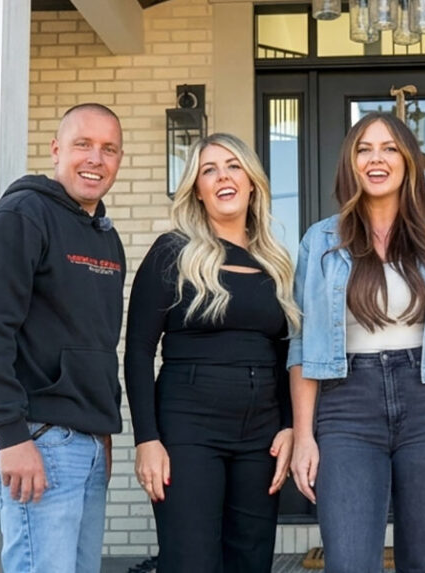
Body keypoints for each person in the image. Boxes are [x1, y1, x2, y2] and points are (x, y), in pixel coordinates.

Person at [289, 112, 425, 572]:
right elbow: (303, 345)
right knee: (350, 561)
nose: (376, 159)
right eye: (364, 149)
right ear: (350, 163)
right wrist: (304, 435)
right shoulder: (319, 240)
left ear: (407, 162)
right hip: (346, 405)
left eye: (389, 148)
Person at [0, 103, 126, 572]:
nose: (96, 158)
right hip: (38, 437)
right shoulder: (18, 218)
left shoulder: (104, 238)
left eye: (108, 149)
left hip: (87, 443)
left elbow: (98, 343)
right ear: (56, 151)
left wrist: (103, 431)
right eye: (83, 145)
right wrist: (10, 433)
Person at [124, 133, 299, 572]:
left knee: (251, 558)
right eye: (209, 170)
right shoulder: (173, 252)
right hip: (188, 430)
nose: (223, 176)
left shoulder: (275, 262)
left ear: (252, 182)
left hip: (261, 436)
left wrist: (290, 424)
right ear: (197, 190)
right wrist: (147, 439)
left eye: (233, 166)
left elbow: (285, 355)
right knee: (191, 562)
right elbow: (139, 351)